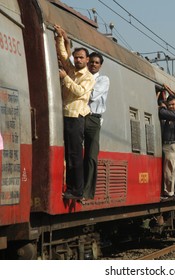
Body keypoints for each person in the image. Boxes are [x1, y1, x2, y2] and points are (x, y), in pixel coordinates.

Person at [54, 25, 95, 200]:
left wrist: (65, 78)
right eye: (76, 57)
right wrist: (61, 37)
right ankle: (71, 187)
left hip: (76, 117)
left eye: (81, 58)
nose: (77, 60)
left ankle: (76, 189)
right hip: (65, 114)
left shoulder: (88, 77)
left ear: (87, 60)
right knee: (68, 153)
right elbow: (63, 56)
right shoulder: (72, 69)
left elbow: (79, 92)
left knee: (75, 154)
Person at [82, 52, 110, 200]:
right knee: (74, 152)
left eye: (96, 62)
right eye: (91, 62)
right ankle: (76, 187)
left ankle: (87, 192)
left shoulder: (103, 80)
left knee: (91, 156)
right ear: (87, 62)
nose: (93, 64)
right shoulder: (81, 76)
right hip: (79, 116)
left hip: (93, 119)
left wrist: (79, 87)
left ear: (100, 65)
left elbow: (92, 95)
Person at [157, 94, 175, 200]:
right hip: (167, 144)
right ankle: (169, 191)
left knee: (169, 169)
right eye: (169, 105)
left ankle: (169, 192)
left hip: (172, 145)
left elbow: (162, 112)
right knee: (167, 169)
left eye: (173, 104)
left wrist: (162, 105)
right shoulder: (172, 114)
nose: (171, 107)